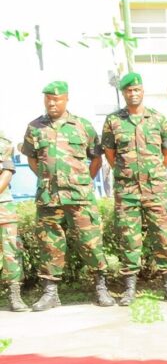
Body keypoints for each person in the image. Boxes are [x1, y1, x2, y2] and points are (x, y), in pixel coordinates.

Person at [22, 81, 115, 311]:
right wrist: (47, 179)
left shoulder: (82, 126)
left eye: (57, 99)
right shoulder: (34, 128)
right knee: (49, 244)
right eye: (48, 99)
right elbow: (32, 159)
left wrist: (83, 181)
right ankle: (50, 293)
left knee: (90, 241)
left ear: (66, 99)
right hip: (48, 197)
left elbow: (95, 158)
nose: (52, 103)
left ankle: (101, 288)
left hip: (79, 196)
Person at [101, 72, 167, 305]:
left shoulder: (158, 119)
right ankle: (129, 288)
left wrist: (151, 173)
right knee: (128, 238)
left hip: (155, 189)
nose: (133, 94)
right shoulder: (113, 121)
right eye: (128, 90)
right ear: (123, 93)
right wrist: (129, 175)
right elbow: (110, 154)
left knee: (163, 236)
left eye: (136, 89)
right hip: (127, 191)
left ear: (142, 90)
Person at [0, 134, 28, 312]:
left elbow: (7, 172)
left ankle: (14, 294)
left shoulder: (3, 142)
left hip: (2, 205)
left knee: (10, 250)